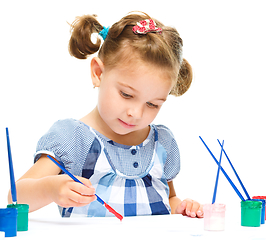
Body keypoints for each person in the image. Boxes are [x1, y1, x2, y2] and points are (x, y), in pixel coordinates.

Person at [8, 11, 204, 218]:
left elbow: (168, 199)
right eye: (126, 94)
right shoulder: (73, 138)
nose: (136, 113)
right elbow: (15, 197)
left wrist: (181, 207)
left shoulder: (161, 142)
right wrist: (50, 189)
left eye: (153, 104)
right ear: (98, 73)